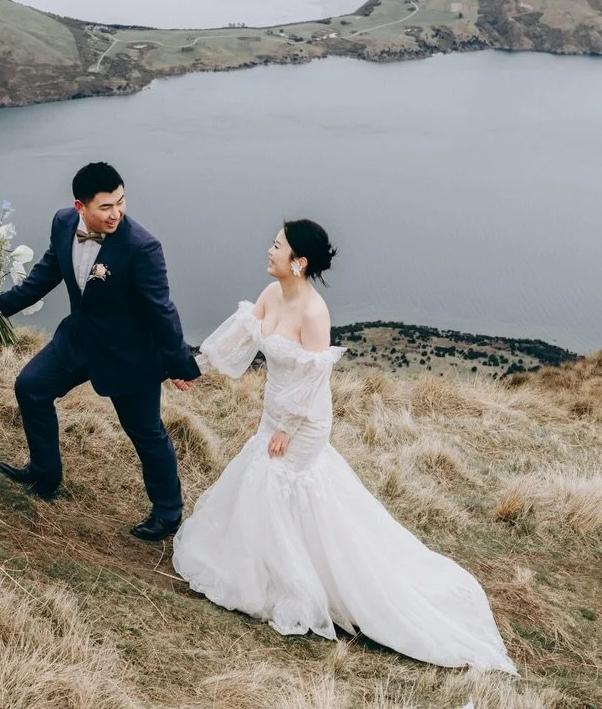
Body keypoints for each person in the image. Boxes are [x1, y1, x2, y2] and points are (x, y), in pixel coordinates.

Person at [172, 219, 517, 673]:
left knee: (287, 483)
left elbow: (315, 381)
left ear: (299, 260)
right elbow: (237, 336)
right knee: (266, 481)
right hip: (275, 410)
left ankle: (320, 581)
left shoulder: (315, 313)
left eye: (277, 245)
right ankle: (270, 567)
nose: (269, 250)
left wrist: (288, 429)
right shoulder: (271, 294)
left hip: (305, 420)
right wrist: (193, 368)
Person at [0, 162, 200, 541]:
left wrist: (179, 364)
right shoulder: (62, 223)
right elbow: (48, 270)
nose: (116, 213)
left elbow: (161, 309)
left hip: (129, 354)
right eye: (106, 206)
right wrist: (2, 304)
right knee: (30, 387)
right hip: (78, 339)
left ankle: (168, 513)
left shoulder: (142, 247)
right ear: (79, 206)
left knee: (146, 433)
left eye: (121, 202)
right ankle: (44, 473)